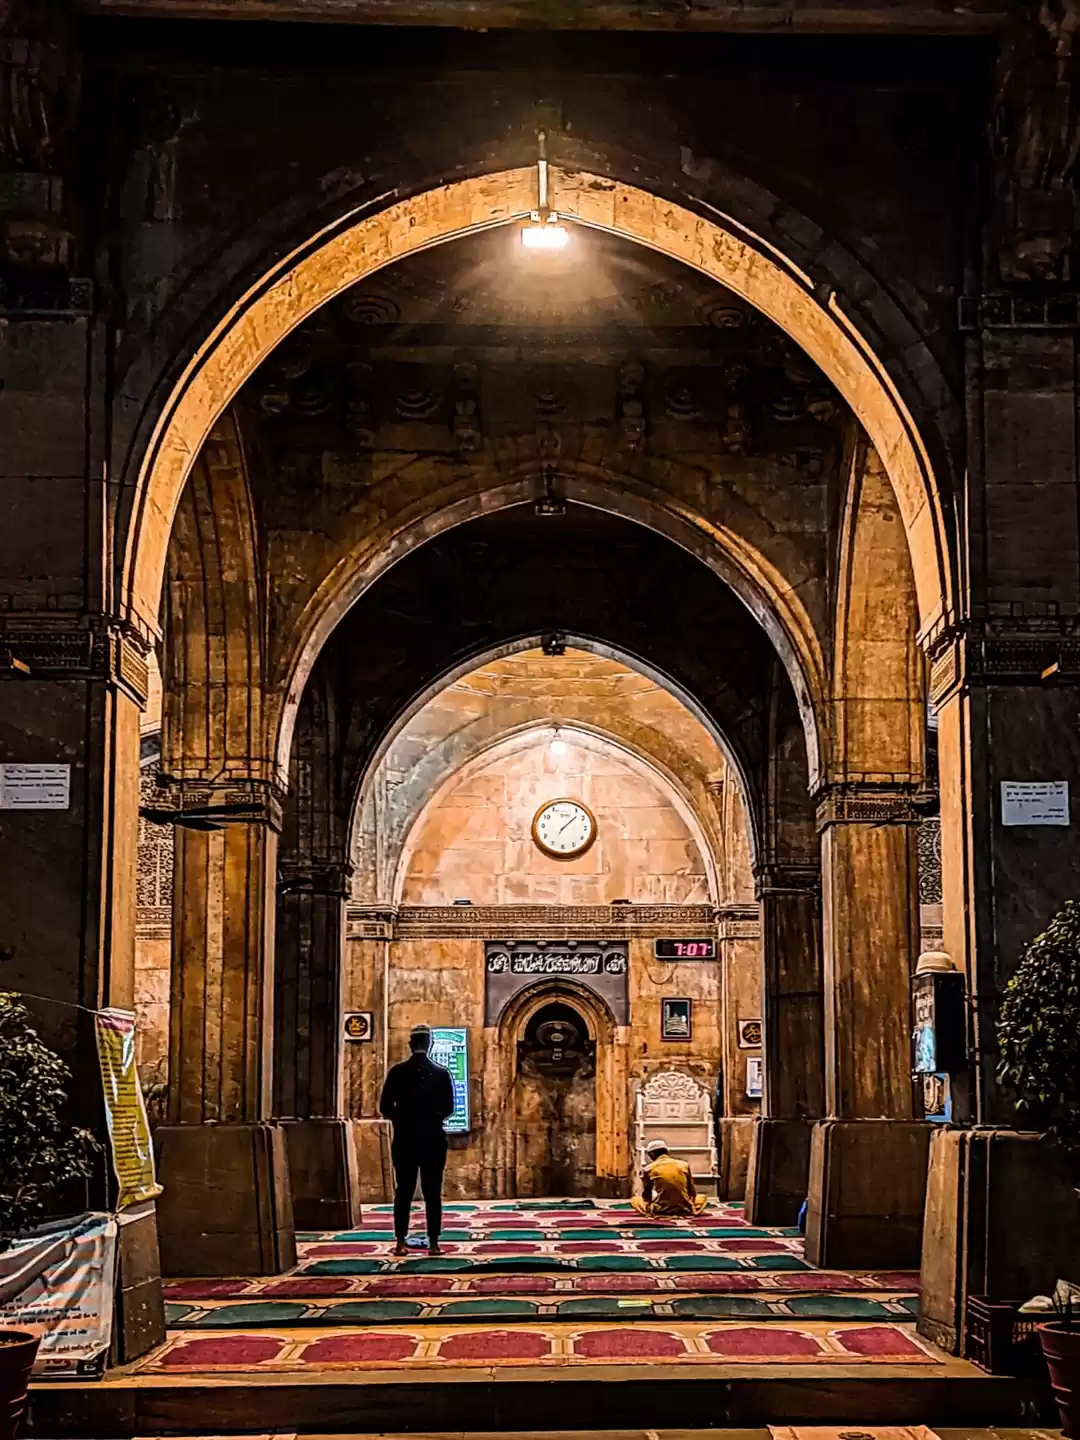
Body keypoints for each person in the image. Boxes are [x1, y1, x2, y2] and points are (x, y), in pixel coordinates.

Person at [379, 1024, 455, 1256]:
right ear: (429, 1044)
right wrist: (431, 1120)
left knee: (404, 1191)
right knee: (432, 1191)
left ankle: (400, 1242)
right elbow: (449, 1108)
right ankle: (434, 1243)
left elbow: (384, 1108)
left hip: (405, 1139)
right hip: (433, 1139)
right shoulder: (441, 1073)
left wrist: (402, 1120)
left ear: (411, 1045)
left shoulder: (397, 1072)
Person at [631, 1138, 708, 1217]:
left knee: (635, 1200)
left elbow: (647, 1195)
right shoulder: (684, 1165)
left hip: (661, 1210)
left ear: (651, 1155)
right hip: (685, 1209)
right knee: (702, 1197)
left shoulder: (648, 1169)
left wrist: (649, 1206)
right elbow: (692, 1191)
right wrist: (690, 1205)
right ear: (667, 1152)